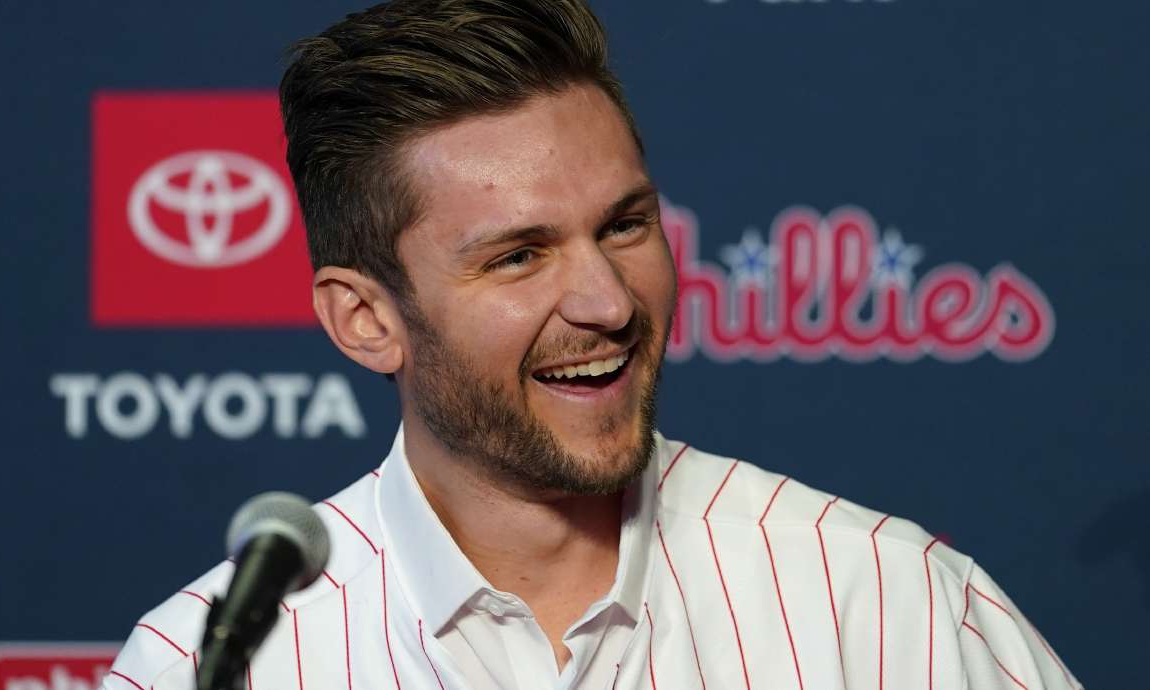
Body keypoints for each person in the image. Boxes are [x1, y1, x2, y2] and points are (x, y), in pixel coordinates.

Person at [102, 1, 1082, 689]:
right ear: (366, 319)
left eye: (624, 225)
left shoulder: (881, 600)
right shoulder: (208, 666)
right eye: (518, 256)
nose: (609, 301)